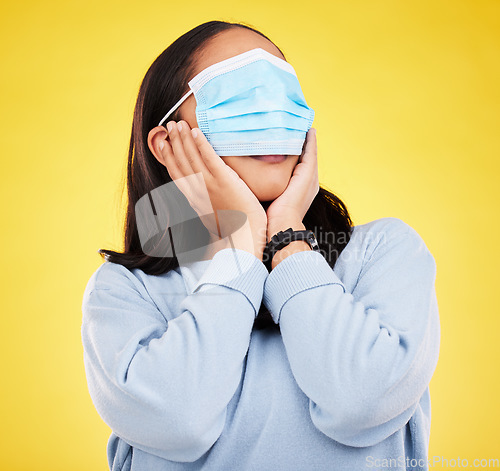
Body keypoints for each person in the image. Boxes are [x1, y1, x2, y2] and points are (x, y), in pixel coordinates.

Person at [81, 20, 440, 471]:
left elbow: (362, 403)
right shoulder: (124, 290)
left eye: (282, 91)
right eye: (242, 92)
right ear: (167, 141)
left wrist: (286, 236)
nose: (270, 111)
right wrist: (238, 250)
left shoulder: (383, 253)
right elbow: (176, 422)